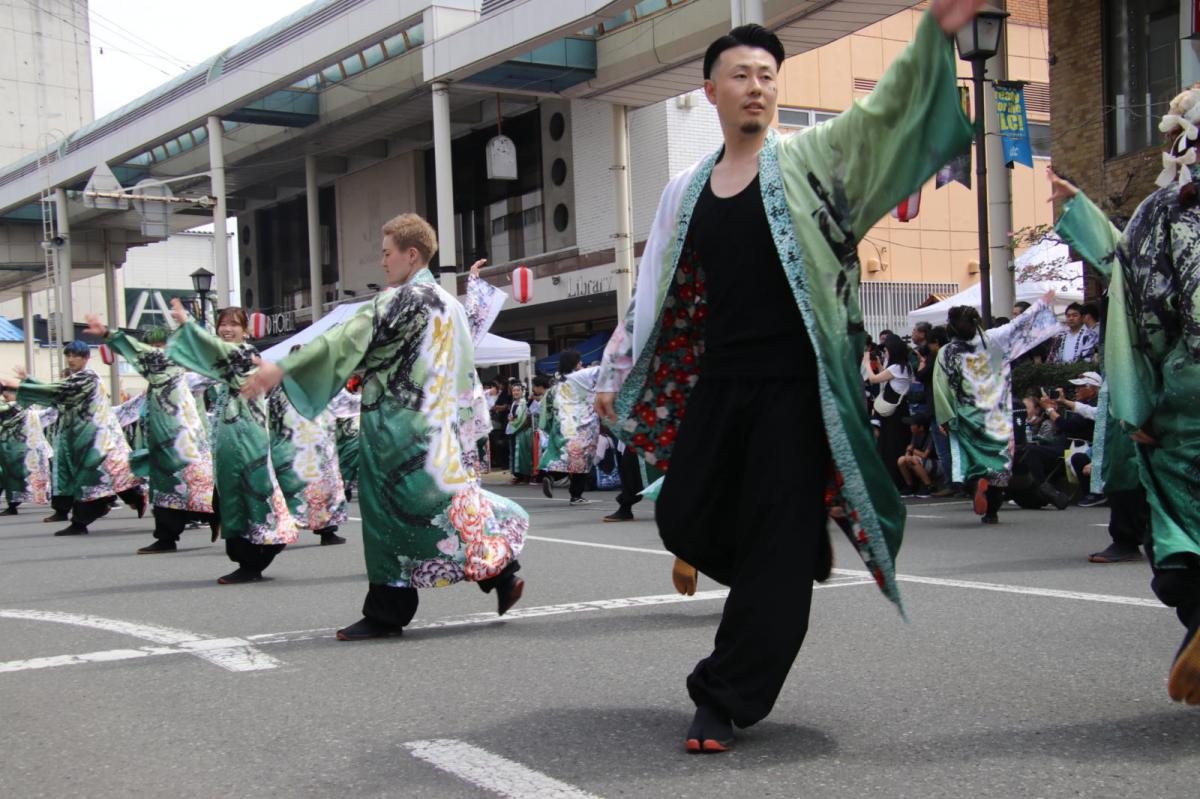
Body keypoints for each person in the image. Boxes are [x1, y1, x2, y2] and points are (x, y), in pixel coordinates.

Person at [594, 0, 986, 752]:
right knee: (682, 515)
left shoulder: (806, 162)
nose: (756, 87)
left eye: (768, 76)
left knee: (770, 557)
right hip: (720, 380)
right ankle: (795, 551)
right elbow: (656, 287)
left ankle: (724, 694)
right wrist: (617, 367)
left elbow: (877, 119)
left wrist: (931, 38)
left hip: (793, 387)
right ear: (710, 90)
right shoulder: (686, 189)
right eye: (740, 74)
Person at [241, 214, 528, 640]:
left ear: (411, 254)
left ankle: (387, 610)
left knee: (390, 513)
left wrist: (282, 367)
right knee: (445, 503)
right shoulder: (447, 303)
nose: (382, 261)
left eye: (386, 252)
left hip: (399, 425)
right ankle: (501, 571)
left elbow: (346, 338)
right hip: (441, 426)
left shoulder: (405, 299)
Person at [1048, 83, 1200, 702]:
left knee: (1180, 540)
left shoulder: (1163, 212)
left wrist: (1137, 410)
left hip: (1187, 391)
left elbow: (1135, 295)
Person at [166, 302, 300, 583]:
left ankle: (256, 555)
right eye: (223, 324)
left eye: (233, 325)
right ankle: (257, 550)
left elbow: (214, 354)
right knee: (233, 491)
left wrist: (188, 326)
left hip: (246, 434)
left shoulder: (246, 355)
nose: (227, 330)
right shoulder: (234, 358)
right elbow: (198, 369)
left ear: (246, 331)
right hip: (230, 434)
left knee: (249, 490)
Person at [85, 318, 217, 553]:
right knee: (164, 489)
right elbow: (127, 411)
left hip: (188, 447)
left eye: (161, 346)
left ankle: (214, 516)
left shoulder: (184, 376)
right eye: (152, 347)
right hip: (161, 447)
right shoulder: (152, 384)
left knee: (196, 487)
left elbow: (216, 373)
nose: (156, 352)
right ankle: (166, 537)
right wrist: (99, 417)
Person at [933, 298, 1062, 523]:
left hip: (967, 413)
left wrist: (945, 417)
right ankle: (992, 511)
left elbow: (941, 386)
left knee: (971, 459)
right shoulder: (994, 340)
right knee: (999, 462)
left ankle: (976, 484)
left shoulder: (947, 352)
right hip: (997, 414)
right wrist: (1042, 303)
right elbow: (1018, 324)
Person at [0, 341, 146, 535]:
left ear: (86, 358)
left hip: (97, 439)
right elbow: (58, 391)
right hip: (80, 438)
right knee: (98, 475)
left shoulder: (89, 377)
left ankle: (81, 521)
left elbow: (59, 391)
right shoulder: (77, 379)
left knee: (91, 476)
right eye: (68, 355)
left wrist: (21, 385)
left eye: (75, 356)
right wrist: (29, 381)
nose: (71, 359)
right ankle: (130, 497)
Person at [268, 344, 348, 546]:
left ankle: (327, 531)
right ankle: (284, 530)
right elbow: (272, 415)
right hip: (291, 449)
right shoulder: (281, 386)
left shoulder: (324, 384)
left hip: (321, 449)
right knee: (290, 491)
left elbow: (346, 404)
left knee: (325, 491)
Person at [539, 349, 601, 505]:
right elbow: (602, 370)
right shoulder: (582, 376)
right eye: (579, 361)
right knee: (582, 459)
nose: (581, 363)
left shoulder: (557, 381)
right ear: (574, 363)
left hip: (562, 422)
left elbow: (546, 403)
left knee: (564, 455)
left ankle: (551, 476)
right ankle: (576, 495)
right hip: (583, 423)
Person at [864, 333, 913, 490]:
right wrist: (879, 366)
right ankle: (898, 482)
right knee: (895, 445)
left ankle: (894, 483)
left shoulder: (896, 367)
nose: (885, 353)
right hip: (899, 411)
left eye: (886, 350)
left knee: (890, 447)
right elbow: (888, 379)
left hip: (893, 414)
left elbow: (873, 379)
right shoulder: (904, 366)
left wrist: (866, 362)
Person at [0, 389, 52, 514]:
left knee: (10, 478)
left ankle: (13, 505)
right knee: (7, 478)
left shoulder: (18, 408)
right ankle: (13, 505)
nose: (5, 394)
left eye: (9, 392)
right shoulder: (27, 411)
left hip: (16, 451)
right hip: (16, 450)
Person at [896, 413, 935, 496]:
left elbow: (925, 455)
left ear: (921, 427)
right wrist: (908, 453)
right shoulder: (914, 435)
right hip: (919, 461)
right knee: (901, 460)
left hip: (934, 463)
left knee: (912, 459)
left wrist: (912, 450)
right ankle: (910, 486)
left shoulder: (930, 436)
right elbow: (908, 453)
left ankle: (929, 485)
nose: (911, 427)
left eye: (913, 425)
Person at [505, 383, 534, 485]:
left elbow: (524, 419)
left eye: (518, 390)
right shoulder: (514, 403)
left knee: (523, 454)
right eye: (514, 390)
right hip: (514, 430)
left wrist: (514, 425)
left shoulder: (524, 403)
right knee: (514, 454)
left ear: (522, 392)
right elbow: (512, 416)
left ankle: (526, 475)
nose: (516, 392)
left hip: (522, 431)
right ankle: (518, 475)